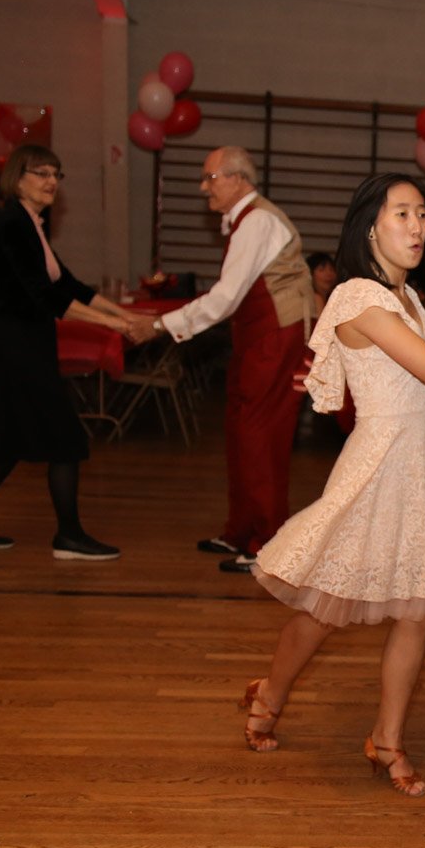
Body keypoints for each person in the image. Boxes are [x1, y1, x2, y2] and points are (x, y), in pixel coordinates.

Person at [236, 172, 425, 797]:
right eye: (401, 213)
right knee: (325, 607)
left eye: (422, 214)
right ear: (370, 227)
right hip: (378, 464)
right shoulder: (358, 297)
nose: (417, 226)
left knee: (416, 613)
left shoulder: (404, 296)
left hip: (422, 462)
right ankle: (269, 693)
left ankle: (387, 739)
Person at [0, 145, 142, 560]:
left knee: (7, 443)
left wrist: (123, 315)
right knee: (66, 441)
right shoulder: (12, 225)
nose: (52, 181)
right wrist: (114, 325)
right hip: (12, 350)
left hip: (21, 347)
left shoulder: (30, 223)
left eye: (56, 174)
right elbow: (46, 297)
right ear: (17, 179)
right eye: (42, 173)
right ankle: (69, 536)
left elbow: (68, 285)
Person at [128, 146, 316, 573]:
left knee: (260, 435)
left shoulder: (258, 221)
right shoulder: (245, 221)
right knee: (241, 430)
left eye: (210, 178)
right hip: (259, 336)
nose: (203, 187)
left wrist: (159, 325)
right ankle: (241, 530)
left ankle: (268, 544)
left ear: (238, 179)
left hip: (276, 337)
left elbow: (225, 298)